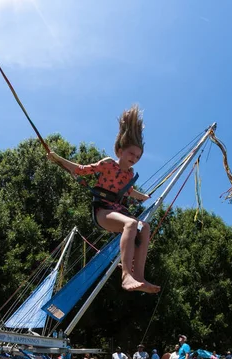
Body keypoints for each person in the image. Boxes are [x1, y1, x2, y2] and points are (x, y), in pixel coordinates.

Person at [47, 105, 160, 294]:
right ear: (120, 151)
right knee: (131, 224)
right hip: (103, 212)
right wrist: (58, 159)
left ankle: (139, 277)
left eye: (138, 156)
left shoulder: (129, 174)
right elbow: (81, 170)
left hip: (118, 212)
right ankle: (126, 276)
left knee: (144, 227)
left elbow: (129, 191)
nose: (135, 158)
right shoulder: (107, 164)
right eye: (131, 153)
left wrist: (144, 196)